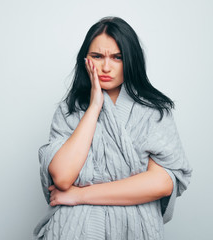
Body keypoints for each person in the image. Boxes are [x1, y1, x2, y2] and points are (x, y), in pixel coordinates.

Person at [33, 16, 192, 240]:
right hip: (74, 231)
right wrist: (94, 106)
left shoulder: (154, 111)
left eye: (117, 57)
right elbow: (62, 176)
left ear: (131, 60)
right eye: (97, 56)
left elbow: (162, 183)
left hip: (135, 230)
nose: (106, 67)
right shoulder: (69, 111)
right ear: (85, 60)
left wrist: (80, 195)